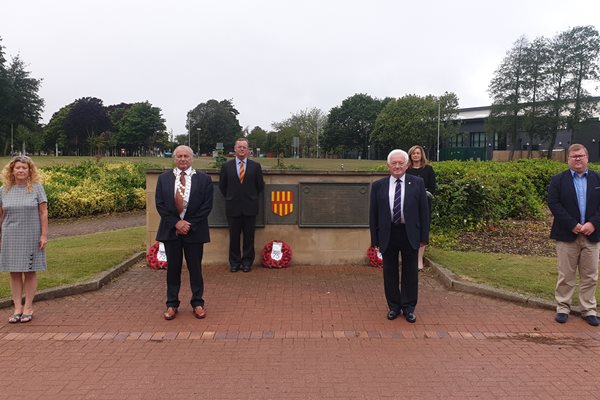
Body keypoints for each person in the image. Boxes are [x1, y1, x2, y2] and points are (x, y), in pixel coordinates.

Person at [369, 149, 430, 323]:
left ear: (407, 165)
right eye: (394, 163)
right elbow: (373, 215)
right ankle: (394, 307)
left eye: (400, 163)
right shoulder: (378, 186)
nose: (397, 166)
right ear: (388, 165)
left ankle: (409, 308)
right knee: (390, 272)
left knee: (410, 273)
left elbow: (423, 213)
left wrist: (424, 237)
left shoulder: (417, 183)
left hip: (410, 233)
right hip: (388, 233)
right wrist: (375, 239)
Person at [155, 145, 213, 320]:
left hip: (194, 231)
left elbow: (207, 206)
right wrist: (176, 223)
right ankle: (172, 304)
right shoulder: (164, 179)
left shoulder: (204, 179)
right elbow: (160, 204)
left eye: (186, 156)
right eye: (179, 156)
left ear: (191, 158)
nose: (182, 159)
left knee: (195, 269)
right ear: (174, 158)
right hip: (171, 231)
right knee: (173, 269)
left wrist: (188, 224)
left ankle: (198, 303)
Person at [547, 143, 600, 327]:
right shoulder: (558, 180)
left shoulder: (597, 179)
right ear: (568, 159)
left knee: (590, 275)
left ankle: (588, 309)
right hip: (567, 235)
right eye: (574, 156)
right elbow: (554, 204)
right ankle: (563, 308)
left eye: (581, 155)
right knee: (566, 275)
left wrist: (593, 223)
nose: (578, 159)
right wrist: (573, 225)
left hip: (592, 235)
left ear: (587, 157)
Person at [0, 155, 48, 324]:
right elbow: (1, 215)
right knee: (14, 272)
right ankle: (17, 308)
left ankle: (28, 307)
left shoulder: (36, 188)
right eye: (17, 168)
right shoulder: (3, 190)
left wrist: (43, 235)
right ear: (12, 171)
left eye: (24, 168)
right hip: (10, 235)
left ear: (29, 171)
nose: (20, 170)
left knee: (29, 270)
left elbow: (43, 212)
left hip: (31, 235)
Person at [219, 137, 265, 273]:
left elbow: (260, 186)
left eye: (244, 147)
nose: (242, 149)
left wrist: (250, 196)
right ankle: (234, 263)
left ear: (248, 150)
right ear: (235, 149)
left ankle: (247, 262)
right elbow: (222, 186)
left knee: (249, 237)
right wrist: (231, 196)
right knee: (233, 237)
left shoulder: (255, 167)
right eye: (239, 147)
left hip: (250, 207)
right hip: (233, 207)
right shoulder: (226, 166)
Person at [406, 145, 436, 271]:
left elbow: (432, 188)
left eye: (418, 153)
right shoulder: (406, 170)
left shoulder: (428, 169)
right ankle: (410, 259)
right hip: (410, 206)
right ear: (410, 155)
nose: (416, 155)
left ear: (421, 155)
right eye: (413, 153)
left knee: (423, 230)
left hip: (424, 205)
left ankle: (419, 260)